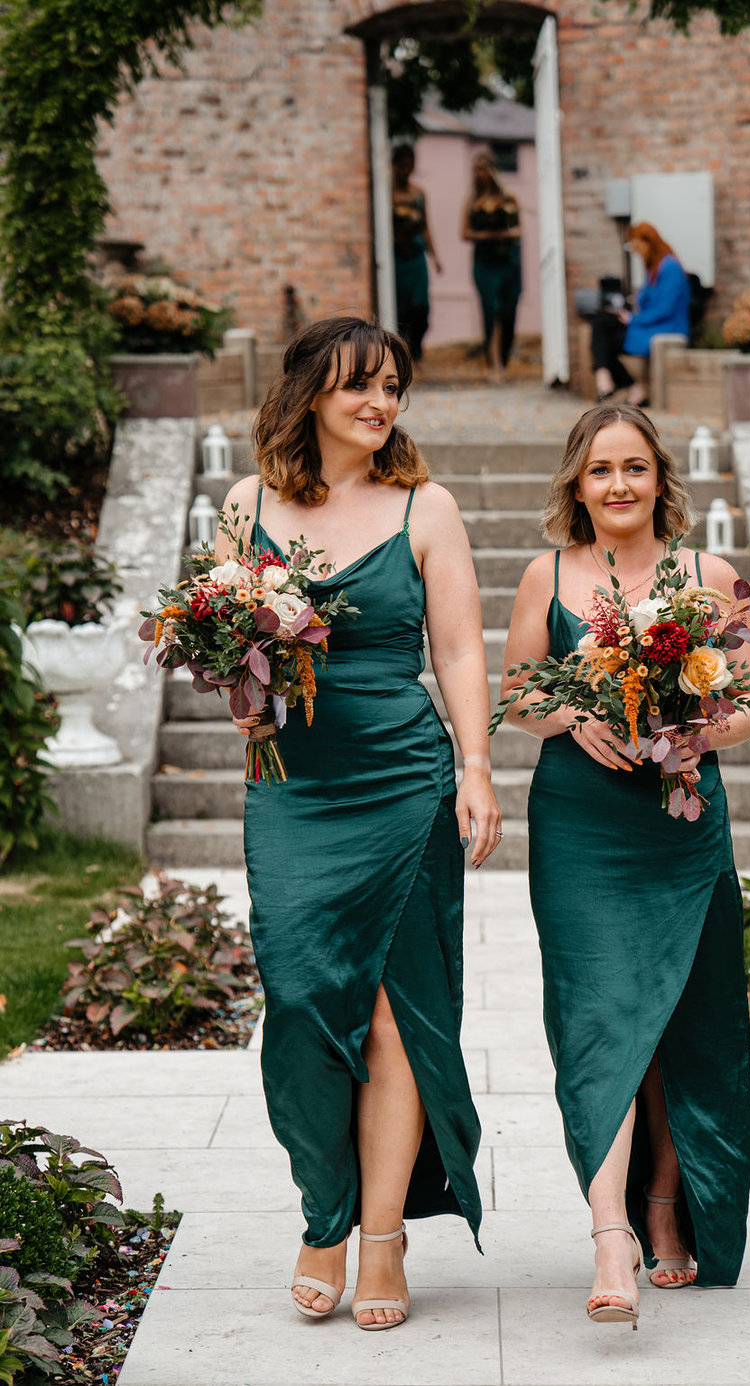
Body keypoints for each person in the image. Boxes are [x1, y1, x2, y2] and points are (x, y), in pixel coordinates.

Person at [215, 316, 502, 1331]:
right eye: (359, 388)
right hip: (290, 781)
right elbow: (223, 646)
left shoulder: (428, 507)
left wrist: (475, 767)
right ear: (308, 396)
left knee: (394, 1018)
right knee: (299, 1006)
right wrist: (232, 680)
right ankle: (322, 1208)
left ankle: (374, 1236)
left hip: (401, 778)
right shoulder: (244, 504)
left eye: (392, 388)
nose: (381, 405)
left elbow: (462, 651)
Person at [501, 402, 750, 1329]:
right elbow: (520, 690)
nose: (619, 485)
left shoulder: (710, 574)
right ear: (577, 482)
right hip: (582, 822)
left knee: (674, 1017)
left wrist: (694, 730)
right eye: (601, 469)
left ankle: (664, 1203)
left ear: (662, 479)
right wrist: (573, 717)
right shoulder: (548, 574)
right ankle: (611, 1229)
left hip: (680, 822)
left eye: (635, 468)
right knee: (600, 1012)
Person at [592, 222, 691, 406]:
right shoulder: (652, 269)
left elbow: (665, 309)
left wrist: (633, 318)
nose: (636, 253)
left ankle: (613, 382)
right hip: (648, 324)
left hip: (665, 327)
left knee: (606, 341)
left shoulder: (670, 268)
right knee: (601, 323)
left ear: (649, 243)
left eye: (638, 247)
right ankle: (612, 379)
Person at [461, 150, 522, 385]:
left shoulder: (508, 198)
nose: (480, 174)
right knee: (491, 311)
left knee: (508, 312)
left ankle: (504, 362)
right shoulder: (471, 201)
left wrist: (502, 232)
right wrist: (486, 233)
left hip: (507, 261)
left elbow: (519, 230)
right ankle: (493, 364)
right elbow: (464, 232)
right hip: (484, 263)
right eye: (476, 169)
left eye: (484, 168)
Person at [391, 144, 442, 362]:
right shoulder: (387, 194)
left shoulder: (419, 193)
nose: (406, 170)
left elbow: (426, 226)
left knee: (421, 307)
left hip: (417, 255)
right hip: (396, 256)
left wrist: (435, 256)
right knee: (400, 307)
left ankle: (416, 351)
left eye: (409, 165)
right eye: (401, 165)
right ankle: (402, 356)